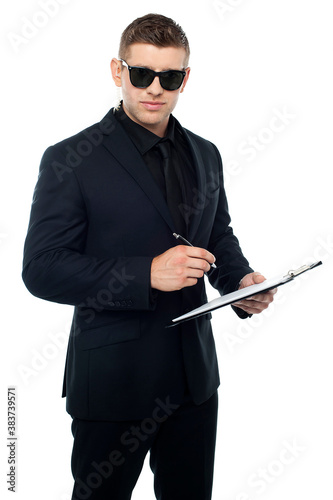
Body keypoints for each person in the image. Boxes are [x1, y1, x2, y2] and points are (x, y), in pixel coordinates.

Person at [22, 13, 276, 500]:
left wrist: (242, 284)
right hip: (113, 385)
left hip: (194, 383)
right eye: (141, 74)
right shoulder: (70, 158)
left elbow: (217, 236)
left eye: (170, 77)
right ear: (118, 72)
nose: (154, 88)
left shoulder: (207, 153)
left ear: (186, 79)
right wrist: (146, 274)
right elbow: (41, 269)